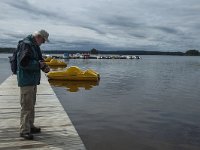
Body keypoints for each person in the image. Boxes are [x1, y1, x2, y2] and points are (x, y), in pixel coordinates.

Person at [17, 29, 50, 140]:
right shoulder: (26, 45)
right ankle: (24, 131)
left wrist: (44, 66)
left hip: (32, 80)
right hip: (26, 81)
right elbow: (23, 63)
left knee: (31, 104)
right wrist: (38, 64)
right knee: (26, 106)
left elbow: (39, 61)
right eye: (43, 40)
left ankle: (30, 126)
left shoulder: (34, 46)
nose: (43, 43)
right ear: (38, 37)